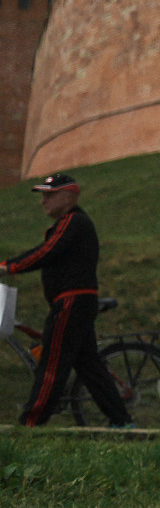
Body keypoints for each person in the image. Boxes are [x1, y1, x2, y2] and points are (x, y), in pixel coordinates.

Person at [9, 173, 127, 428]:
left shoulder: (73, 221)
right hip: (77, 301)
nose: (43, 202)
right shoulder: (72, 222)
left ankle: (30, 423)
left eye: (49, 195)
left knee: (53, 362)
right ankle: (122, 420)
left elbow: (46, 253)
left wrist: (10, 267)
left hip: (71, 302)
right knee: (89, 366)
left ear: (68, 197)